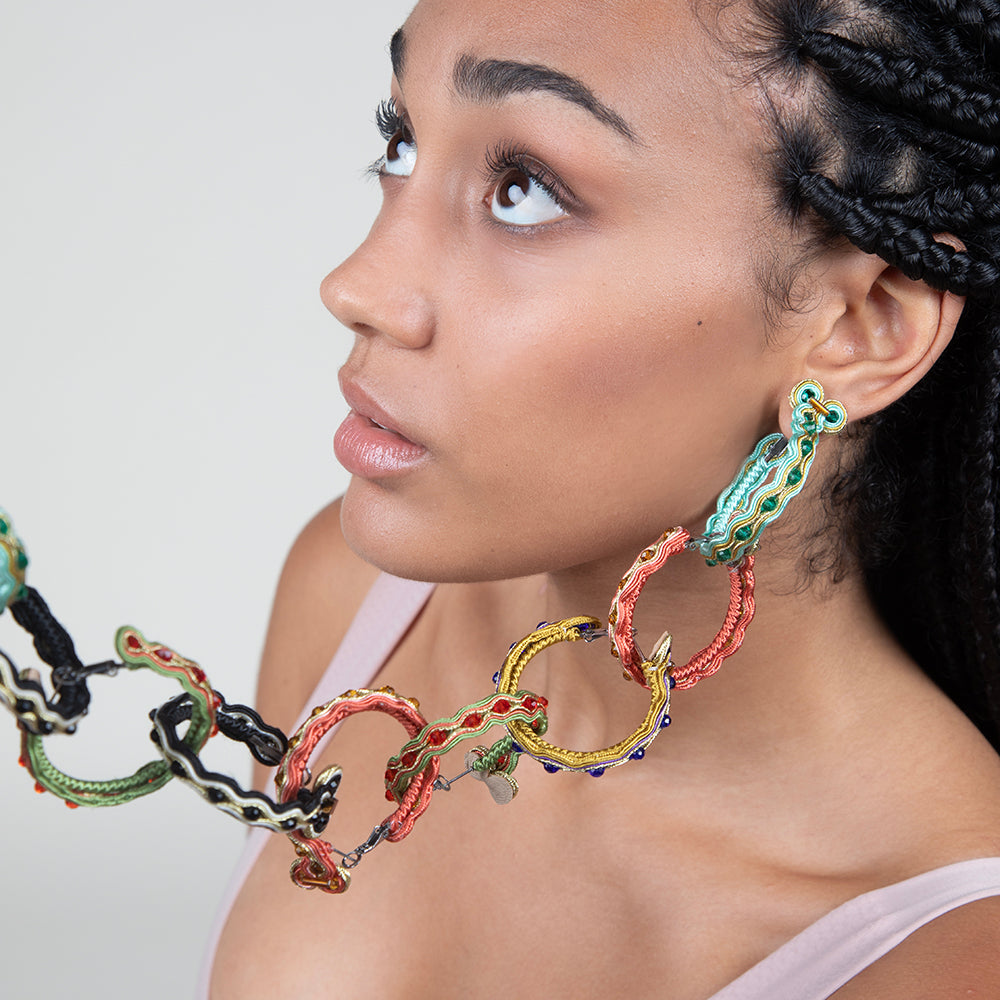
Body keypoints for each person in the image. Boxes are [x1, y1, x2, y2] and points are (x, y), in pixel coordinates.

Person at [206, 0, 1000, 996]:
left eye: (523, 191)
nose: (358, 285)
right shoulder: (354, 605)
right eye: (402, 141)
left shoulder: (948, 961)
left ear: (862, 327)